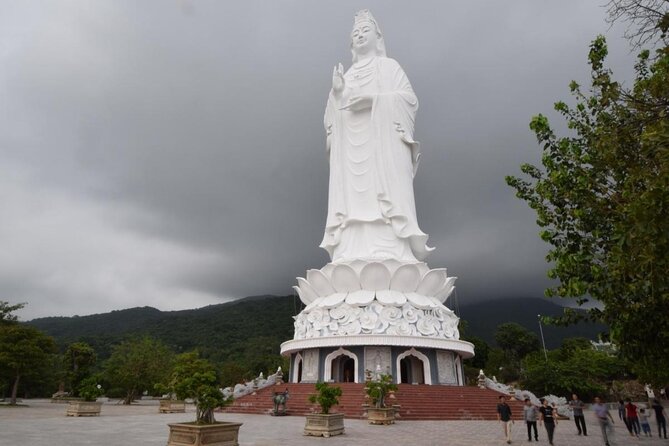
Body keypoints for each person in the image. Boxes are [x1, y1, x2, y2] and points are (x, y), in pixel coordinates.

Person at [321, 9, 432, 263]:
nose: (360, 36)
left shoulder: (389, 67)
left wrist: (374, 101)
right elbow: (331, 122)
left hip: (382, 152)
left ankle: (391, 249)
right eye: (355, 33)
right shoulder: (346, 76)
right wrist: (338, 93)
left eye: (365, 31)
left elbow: (409, 102)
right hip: (351, 155)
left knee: (381, 203)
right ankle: (349, 250)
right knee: (352, 208)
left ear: (377, 36)